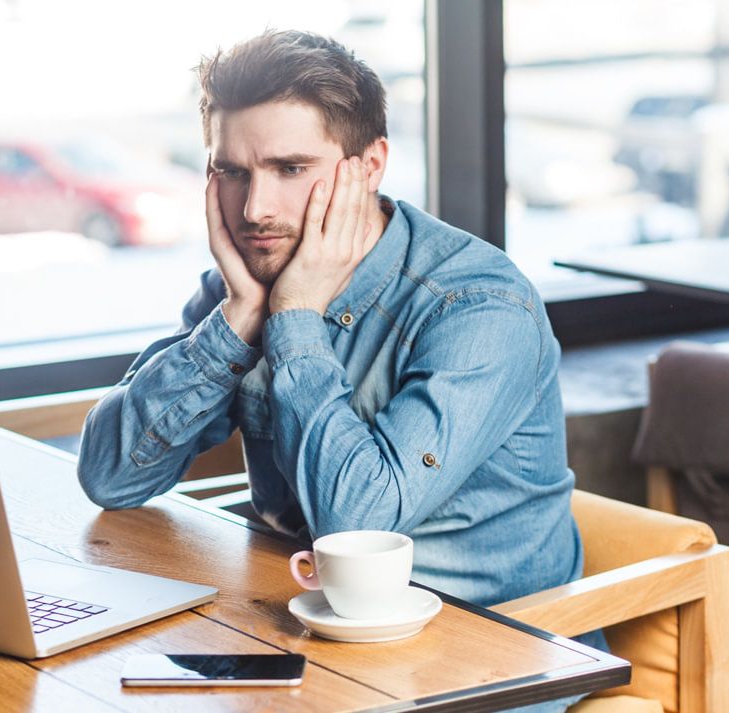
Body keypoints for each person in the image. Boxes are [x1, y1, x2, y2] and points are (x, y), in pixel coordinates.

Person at [76, 28, 606, 680]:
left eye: (290, 169)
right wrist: (242, 316)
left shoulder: (478, 306)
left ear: (370, 166)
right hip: (305, 636)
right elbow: (110, 475)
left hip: (482, 657)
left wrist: (295, 320)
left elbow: (357, 522)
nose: (255, 208)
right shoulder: (246, 284)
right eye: (231, 172)